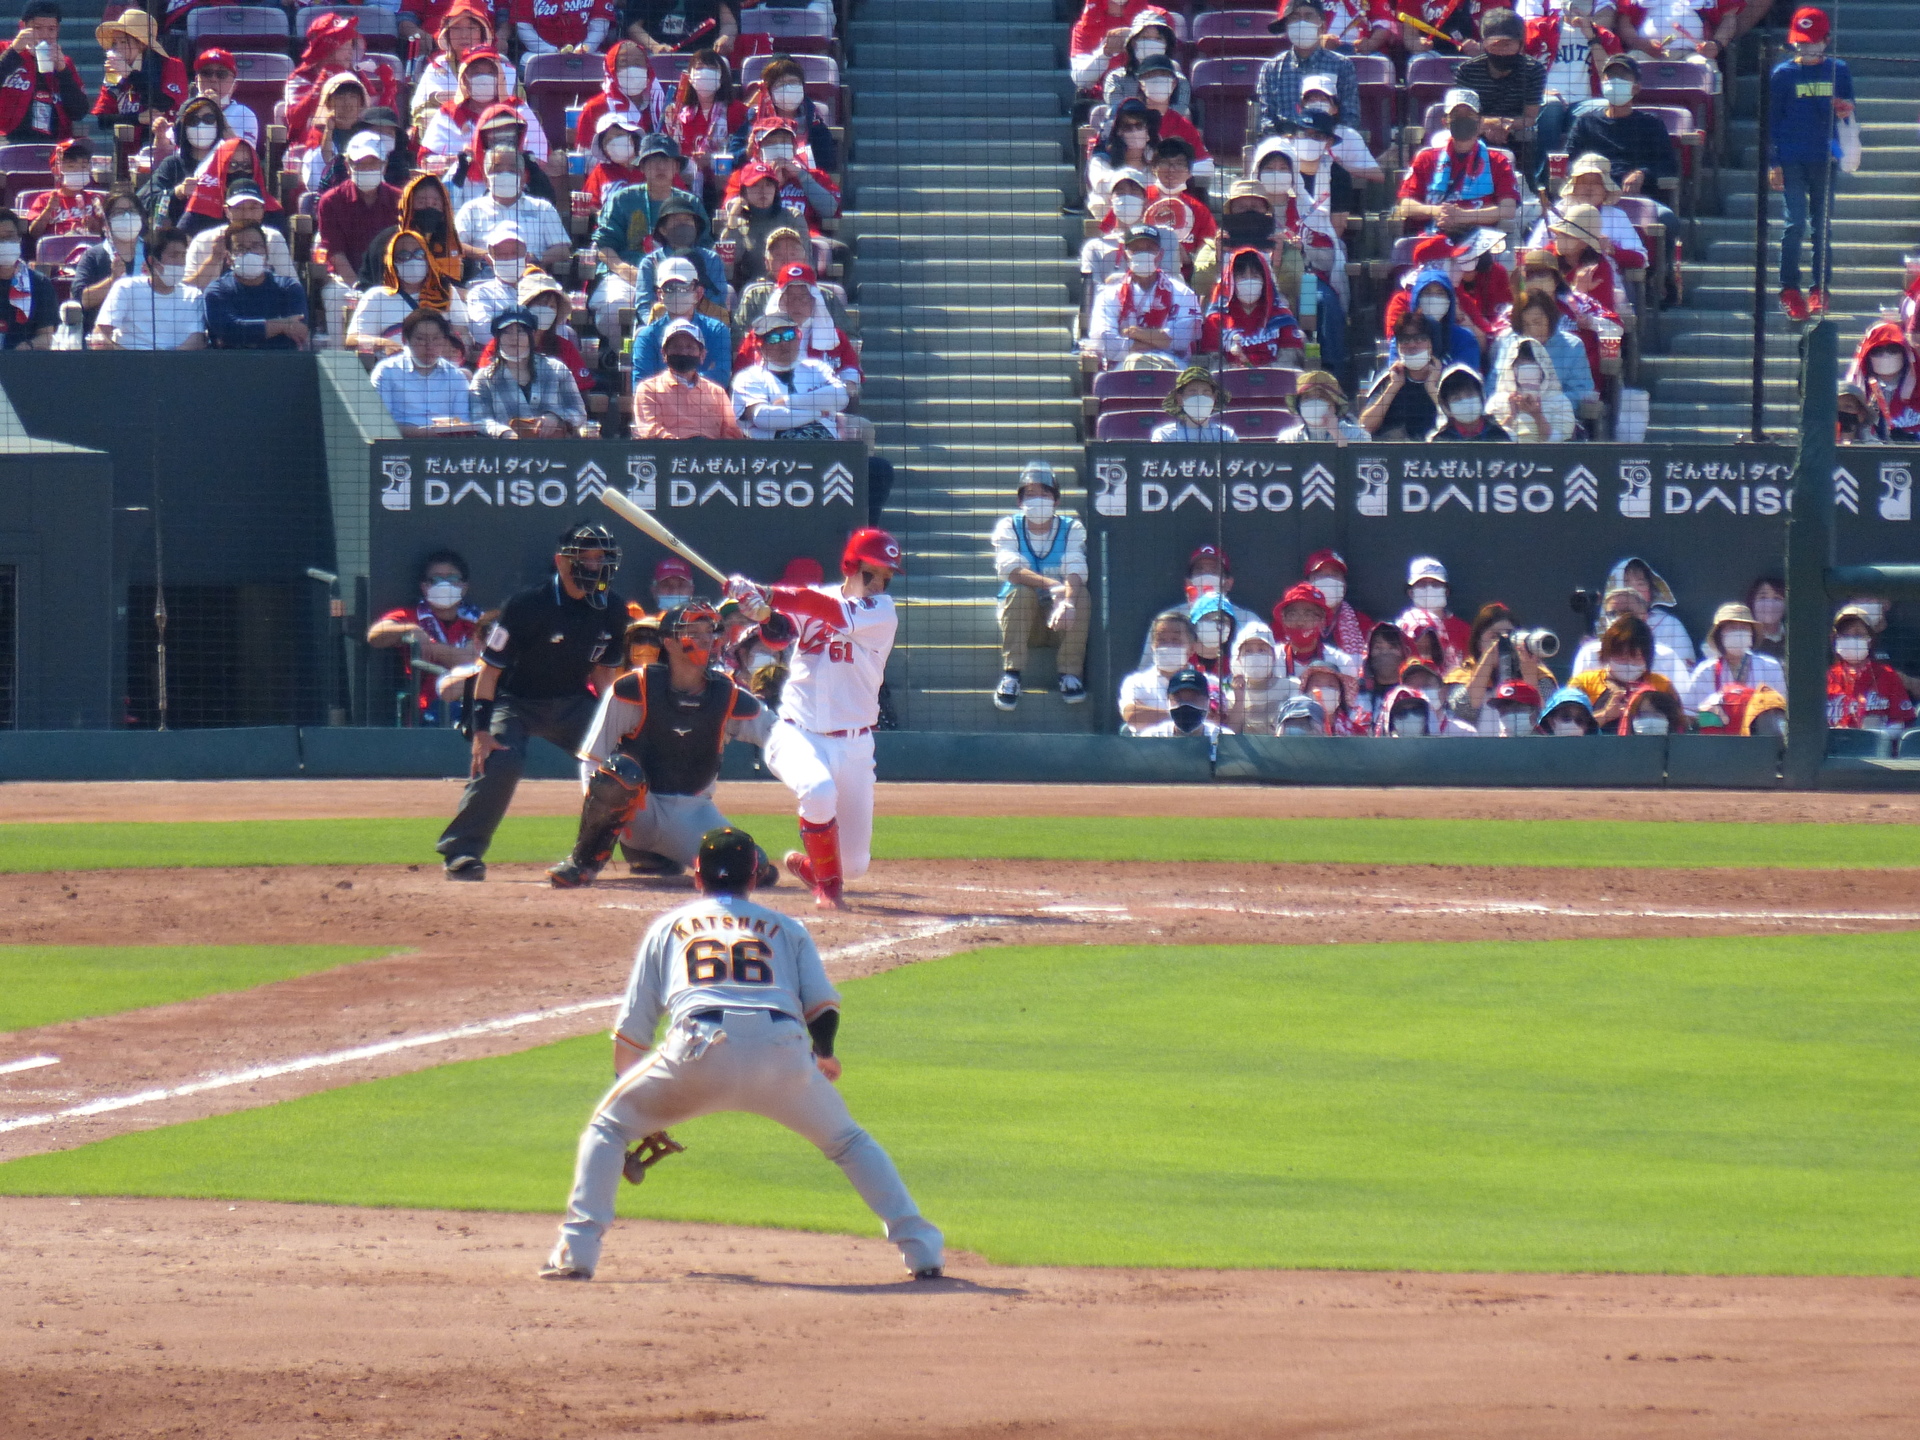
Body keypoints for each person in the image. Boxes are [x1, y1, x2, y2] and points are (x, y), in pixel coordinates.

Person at [542, 823, 943, 1284]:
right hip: (783, 1052)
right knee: (849, 1143)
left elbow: (633, 1031)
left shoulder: (668, 927)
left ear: (697, 877)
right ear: (754, 877)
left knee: (608, 1127)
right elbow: (823, 1006)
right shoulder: (787, 928)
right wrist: (825, 1054)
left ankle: (576, 1254)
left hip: (697, 1049)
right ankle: (923, 1251)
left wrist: (637, 1102)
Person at [726, 529, 906, 910]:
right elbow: (779, 635)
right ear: (851, 566)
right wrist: (761, 611)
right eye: (873, 574)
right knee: (818, 792)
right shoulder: (816, 600)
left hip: (855, 743)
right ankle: (828, 890)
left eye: (887, 577)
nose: (880, 584)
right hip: (798, 733)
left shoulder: (882, 612)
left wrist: (766, 593)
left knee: (855, 865)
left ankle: (815, 868)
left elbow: (819, 608)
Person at [438, 525, 628, 880]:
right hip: (516, 701)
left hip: (572, 702)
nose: (593, 567)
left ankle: (643, 850)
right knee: (501, 760)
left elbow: (604, 676)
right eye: (584, 558)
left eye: (600, 559)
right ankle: (461, 852)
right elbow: (489, 673)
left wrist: (620, 724)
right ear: (561, 561)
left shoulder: (612, 608)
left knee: (624, 765)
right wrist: (481, 732)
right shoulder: (527, 605)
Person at [548, 599, 773, 887]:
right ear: (669, 641)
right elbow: (593, 757)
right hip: (641, 809)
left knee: (754, 866)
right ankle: (584, 861)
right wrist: (601, 819)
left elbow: (775, 733)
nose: (705, 639)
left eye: (709, 631)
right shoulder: (634, 687)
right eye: (694, 631)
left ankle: (658, 856)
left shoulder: (726, 692)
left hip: (693, 811)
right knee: (619, 771)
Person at [1768, 7, 1851, 320]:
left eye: (1813, 42)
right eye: (1800, 42)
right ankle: (1789, 289)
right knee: (1795, 223)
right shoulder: (1782, 74)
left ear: (1826, 41)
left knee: (1822, 227)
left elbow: (1850, 105)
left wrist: (1844, 107)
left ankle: (1820, 289)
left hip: (1825, 157)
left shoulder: (1839, 70)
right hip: (1791, 158)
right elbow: (1772, 122)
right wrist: (1773, 163)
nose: (1806, 48)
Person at [990, 460, 1090, 710]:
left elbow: (1076, 566)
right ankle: (1012, 674)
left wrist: (1066, 600)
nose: (1038, 499)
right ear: (1019, 501)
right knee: (1021, 592)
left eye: (1045, 493)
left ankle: (1069, 674)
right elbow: (1009, 569)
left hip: (1061, 621)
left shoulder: (1072, 528)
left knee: (1082, 596)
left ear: (1056, 500)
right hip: (1025, 621)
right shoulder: (1009, 526)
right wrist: (1052, 585)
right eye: (1030, 494)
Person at [368, 550, 485, 726]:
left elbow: (470, 660)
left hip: (471, 704)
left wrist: (427, 647)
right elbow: (375, 635)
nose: (445, 585)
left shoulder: (477, 622)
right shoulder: (410, 616)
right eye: (436, 579)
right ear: (424, 587)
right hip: (425, 710)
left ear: (464, 586)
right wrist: (410, 629)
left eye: (452, 578)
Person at [1396, 88, 1520, 239]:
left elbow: (1508, 209)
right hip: (1432, 238)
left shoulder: (1498, 161)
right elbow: (1406, 206)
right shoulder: (1426, 158)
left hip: (1479, 241)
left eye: (1469, 114)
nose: (1463, 119)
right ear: (1445, 122)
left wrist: (1463, 216)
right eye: (1456, 115)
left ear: (1481, 122)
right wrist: (1436, 211)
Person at [1086, 224, 1201, 370]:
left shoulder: (1183, 293)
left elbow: (1182, 339)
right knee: (1134, 362)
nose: (1143, 253)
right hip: (1123, 366)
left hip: (1171, 366)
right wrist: (1156, 342)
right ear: (1125, 254)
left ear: (1160, 254)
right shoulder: (1108, 295)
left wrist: (1134, 332)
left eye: (1149, 248)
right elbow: (1102, 339)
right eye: (1136, 249)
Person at [1455, 8, 1546, 185]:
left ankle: (1535, 186)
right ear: (1484, 43)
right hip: (1474, 133)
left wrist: (1505, 124)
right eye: (1496, 44)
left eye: (1508, 44)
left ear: (1520, 44)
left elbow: (1530, 117)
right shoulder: (1466, 71)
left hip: (1516, 134)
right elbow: (1462, 116)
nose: (1502, 51)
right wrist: (1492, 124)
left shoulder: (1534, 70)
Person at [349, 230, 472, 357]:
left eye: (419, 254)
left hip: (440, 368)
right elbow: (352, 340)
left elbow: (463, 335)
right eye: (403, 256)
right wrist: (383, 344)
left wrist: (453, 348)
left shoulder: (446, 292)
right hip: (395, 370)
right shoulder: (376, 296)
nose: (413, 260)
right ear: (392, 262)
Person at [471, 307, 588, 438]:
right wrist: (504, 432)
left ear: (531, 335)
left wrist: (557, 417)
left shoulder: (557, 369)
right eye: (506, 332)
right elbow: (479, 420)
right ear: (498, 338)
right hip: (505, 453)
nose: (513, 338)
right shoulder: (484, 378)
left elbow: (579, 413)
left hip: (555, 451)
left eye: (520, 331)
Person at [731, 315, 849, 440]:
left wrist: (787, 402)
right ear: (760, 347)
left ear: (799, 338)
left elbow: (840, 397)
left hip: (824, 441)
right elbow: (763, 417)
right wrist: (817, 413)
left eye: (789, 336)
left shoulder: (817, 368)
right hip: (775, 449)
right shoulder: (748, 377)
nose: (783, 343)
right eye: (774, 339)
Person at [456, 146, 569, 276]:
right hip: (485, 276)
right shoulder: (471, 209)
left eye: (512, 169)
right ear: (486, 179)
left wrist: (536, 258)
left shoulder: (543, 208)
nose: (505, 173)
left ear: (523, 178)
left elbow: (563, 249)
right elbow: (456, 244)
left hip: (531, 276)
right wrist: (488, 256)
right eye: (497, 169)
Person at [284, 13, 396, 143]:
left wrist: (389, 89)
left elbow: (375, 121)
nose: (350, 51)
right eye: (344, 43)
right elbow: (295, 122)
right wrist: (321, 83)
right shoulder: (300, 77)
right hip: (310, 149)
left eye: (351, 44)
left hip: (357, 147)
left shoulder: (354, 75)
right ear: (326, 45)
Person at [1445, 603, 1556, 734]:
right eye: (1494, 636)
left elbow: (1544, 719)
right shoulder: (1461, 675)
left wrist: (1530, 674)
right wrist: (1488, 661)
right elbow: (1462, 712)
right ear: (1478, 642)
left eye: (1509, 635)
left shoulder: (1540, 674)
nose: (1503, 642)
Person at [90, 226, 202, 350]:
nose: (181, 262)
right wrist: (134, 361)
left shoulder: (193, 295)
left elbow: (197, 339)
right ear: (152, 261)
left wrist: (167, 363)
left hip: (176, 367)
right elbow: (99, 335)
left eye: (183, 255)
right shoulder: (126, 288)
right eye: (174, 255)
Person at [1257, 0, 1360, 135]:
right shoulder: (1271, 69)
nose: (1302, 22)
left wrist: (1327, 141)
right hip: (1285, 146)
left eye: (1309, 16)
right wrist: (1284, 141)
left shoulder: (1342, 65)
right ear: (1287, 27)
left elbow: (1350, 118)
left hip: (1329, 143)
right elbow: (1266, 119)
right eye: (1295, 17)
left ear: (1322, 26)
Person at [202, 223, 308, 350]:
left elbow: (300, 330)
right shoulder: (216, 291)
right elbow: (229, 331)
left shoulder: (289, 288)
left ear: (266, 253)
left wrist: (250, 333)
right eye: (240, 248)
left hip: (279, 364)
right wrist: (282, 325)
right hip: (230, 365)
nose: (249, 253)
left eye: (256, 246)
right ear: (229, 257)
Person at [634, 317, 745, 438]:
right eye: (676, 347)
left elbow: (731, 433)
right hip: (670, 453)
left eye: (690, 347)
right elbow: (652, 431)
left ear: (702, 355)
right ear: (664, 354)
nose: (683, 352)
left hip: (711, 453)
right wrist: (686, 448)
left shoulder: (716, 392)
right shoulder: (648, 389)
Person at [91, 9, 186, 147]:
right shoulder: (114, 73)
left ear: (141, 44)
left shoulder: (172, 65)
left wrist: (130, 75)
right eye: (115, 43)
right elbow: (103, 120)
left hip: (166, 147)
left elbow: (164, 103)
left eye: (123, 42)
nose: (117, 48)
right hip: (126, 154)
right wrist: (138, 119)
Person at [372, 308, 474, 434]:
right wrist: (422, 433)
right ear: (405, 340)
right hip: (400, 445)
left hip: (444, 446)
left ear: (444, 340)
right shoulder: (387, 371)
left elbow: (462, 421)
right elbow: (380, 423)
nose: (429, 346)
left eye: (436, 339)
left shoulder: (456, 376)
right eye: (421, 339)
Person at [317, 133, 402, 284]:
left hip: (393, 280)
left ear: (384, 165)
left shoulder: (400, 200)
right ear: (348, 165)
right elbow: (336, 253)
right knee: (333, 296)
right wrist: (358, 287)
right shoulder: (330, 201)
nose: (367, 169)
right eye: (360, 163)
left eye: (373, 163)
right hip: (344, 281)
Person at [1199, 246, 1303, 369]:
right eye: (1242, 276)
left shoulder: (1282, 317)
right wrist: (1237, 370)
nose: (1249, 281)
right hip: (1231, 382)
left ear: (1265, 281)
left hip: (1274, 382)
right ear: (1231, 281)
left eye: (1255, 276)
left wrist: (1262, 372)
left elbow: (1289, 361)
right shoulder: (1217, 319)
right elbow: (1213, 363)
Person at [0, 2, 90, 144]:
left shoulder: (64, 62)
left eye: (51, 29)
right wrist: (14, 51)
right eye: (37, 28)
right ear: (22, 26)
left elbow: (78, 112)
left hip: (53, 148)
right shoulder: (4, 50)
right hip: (7, 143)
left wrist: (63, 70)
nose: (45, 35)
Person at [1568, 614, 1676, 732]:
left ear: (1647, 657)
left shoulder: (1661, 685)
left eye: (1635, 657)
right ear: (1607, 653)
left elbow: (1680, 726)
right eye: (1621, 656)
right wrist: (1605, 715)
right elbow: (1566, 730)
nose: (1628, 663)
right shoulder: (1584, 683)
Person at [633, 255, 732, 383]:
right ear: (659, 295)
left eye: (683, 288)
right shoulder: (646, 337)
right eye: (669, 289)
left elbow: (721, 377)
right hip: (662, 403)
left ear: (699, 293)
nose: (676, 293)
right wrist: (695, 381)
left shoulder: (717, 331)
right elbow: (642, 386)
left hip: (705, 403)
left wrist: (667, 384)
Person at [1681, 603, 1784, 717]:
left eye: (1744, 628)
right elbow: (1689, 713)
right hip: (1718, 733)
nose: (1738, 633)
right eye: (1732, 628)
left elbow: (1782, 710)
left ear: (1752, 634)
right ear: (1719, 635)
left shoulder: (1770, 667)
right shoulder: (1705, 671)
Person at [1828, 604, 1915, 732]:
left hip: (1874, 749)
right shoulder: (1827, 678)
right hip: (1835, 747)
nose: (1851, 639)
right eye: (1845, 635)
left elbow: (1900, 722)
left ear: (1870, 639)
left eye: (1858, 634)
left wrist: (1877, 735)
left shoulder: (1887, 675)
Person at [1359, 314, 1445, 438]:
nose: (1411, 345)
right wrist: (1394, 386)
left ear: (1432, 343)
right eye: (1404, 340)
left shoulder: (1450, 378)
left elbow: (1459, 424)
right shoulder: (1389, 378)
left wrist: (1431, 387)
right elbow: (1364, 427)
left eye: (1419, 338)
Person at [1119, 609, 1201, 734]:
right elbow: (1132, 716)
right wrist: (1188, 717)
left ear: (1192, 648)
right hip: (1149, 751)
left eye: (1175, 640)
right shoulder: (1136, 682)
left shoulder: (1207, 682)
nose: (1168, 645)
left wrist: (1150, 714)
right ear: (1152, 646)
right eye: (1161, 640)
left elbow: (1217, 722)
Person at [1487, 335, 1575, 440]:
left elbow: (1561, 443)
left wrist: (1537, 416)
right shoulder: (1497, 402)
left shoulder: (1560, 402)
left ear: (1543, 368)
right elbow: (1491, 442)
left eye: (1533, 365)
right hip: (1508, 456)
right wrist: (1511, 415)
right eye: (1520, 365)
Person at [1272, 583, 1357, 688]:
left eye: (1309, 615)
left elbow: (1350, 702)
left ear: (1322, 620)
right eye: (1292, 615)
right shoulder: (1272, 659)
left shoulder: (1341, 662)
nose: (1300, 622)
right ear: (1283, 620)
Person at [1395, 557, 1471, 671]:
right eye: (1421, 585)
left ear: (1447, 591)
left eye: (1435, 584)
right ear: (1410, 592)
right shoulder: (1401, 629)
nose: (1429, 589)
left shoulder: (1464, 629)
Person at [1847, 324, 1920, 441]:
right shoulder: (1856, 392)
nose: (1885, 355)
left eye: (1893, 349)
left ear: (1905, 353)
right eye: (1877, 350)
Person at [0, 207, 53, 348]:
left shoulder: (40, 283)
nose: (4, 243)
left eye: (9, 236)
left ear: (19, 239)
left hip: (24, 364)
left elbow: (47, 337)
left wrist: (27, 346)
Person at [1133, 665, 1232, 738]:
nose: (1186, 705)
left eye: (1194, 699)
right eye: (1179, 699)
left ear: (1207, 702)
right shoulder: (1151, 738)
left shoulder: (1224, 739)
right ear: (1168, 701)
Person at [186, 46, 257, 148]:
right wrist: (161, 139)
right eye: (206, 73)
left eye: (221, 74)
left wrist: (217, 113)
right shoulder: (186, 109)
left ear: (234, 85)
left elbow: (244, 156)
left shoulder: (244, 114)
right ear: (197, 81)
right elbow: (172, 153)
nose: (213, 79)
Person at [1277, 371, 1368, 442]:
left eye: (1322, 396)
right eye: (1307, 397)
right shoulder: (1288, 439)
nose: (1314, 403)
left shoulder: (1358, 436)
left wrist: (1336, 434)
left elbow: (1354, 464)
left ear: (1335, 405)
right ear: (1299, 406)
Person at [1151, 366, 1236, 442]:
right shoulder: (1165, 436)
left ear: (1214, 398)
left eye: (1206, 393)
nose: (1200, 398)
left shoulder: (1227, 436)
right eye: (1193, 393)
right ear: (1180, 399)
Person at [1430, 365, 1511, 440]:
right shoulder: (1441, 441)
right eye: (1456, 399)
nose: (1465, 402)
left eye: (1470, 395)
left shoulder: (1499, 436)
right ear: (1446, 407)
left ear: (1481, 397)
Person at [515, 0, 616, 54]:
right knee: (527, 62)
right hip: (541, 54)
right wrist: (550, 51)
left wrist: (584, 48)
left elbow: (599, 28)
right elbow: (523, 27)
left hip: (586, 53)